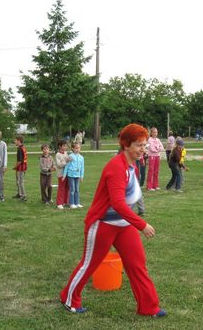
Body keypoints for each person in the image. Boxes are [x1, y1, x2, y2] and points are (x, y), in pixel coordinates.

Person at [60, 123, 166, 317]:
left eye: (144, 145)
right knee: (89, 263)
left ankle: (149, 307)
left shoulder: (132, 164)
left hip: (123, 225)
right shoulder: (116, 167)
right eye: (138, 145)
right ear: (126, 145)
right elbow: (117, 203)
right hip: (103, 224)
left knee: (137, 263)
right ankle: (69, 298)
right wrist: (142, 224)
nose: (143, 149)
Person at [63, 142, 84, 209]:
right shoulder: (70, 156)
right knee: (72, 189)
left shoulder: (81, 157)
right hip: (71, 175)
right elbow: (67, 166)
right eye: (76, 148)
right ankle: (71, 203)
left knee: (77, 189)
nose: (77, 149)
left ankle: (77, 203)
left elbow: (82, 167)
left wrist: (81, 175)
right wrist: (64, 175)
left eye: (79, 148)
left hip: (77, 176)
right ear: (73, 148)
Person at [55, 140, 72, 209]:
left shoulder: (65, 153)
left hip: (67, 174)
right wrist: (66, 161)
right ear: (60, 146)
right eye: (64, 146)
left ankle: (65, 201)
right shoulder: (57, 155)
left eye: (66, 146)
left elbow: (68, 160)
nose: (66, 147)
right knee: (61, 188)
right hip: (61, 174)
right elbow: (59, 165)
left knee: (67, 187)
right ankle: (59, 203)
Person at [13, 135, 28, 202]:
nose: (14, 141)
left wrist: (15, 166)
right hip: (24, 167)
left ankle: (23, 195)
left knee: (20, 182)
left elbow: (20, 160)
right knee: (18, 181)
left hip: (21, 167)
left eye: (15, 140)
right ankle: (19, 193)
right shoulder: (23, 147)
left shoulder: (19, 148)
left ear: (19, 141)